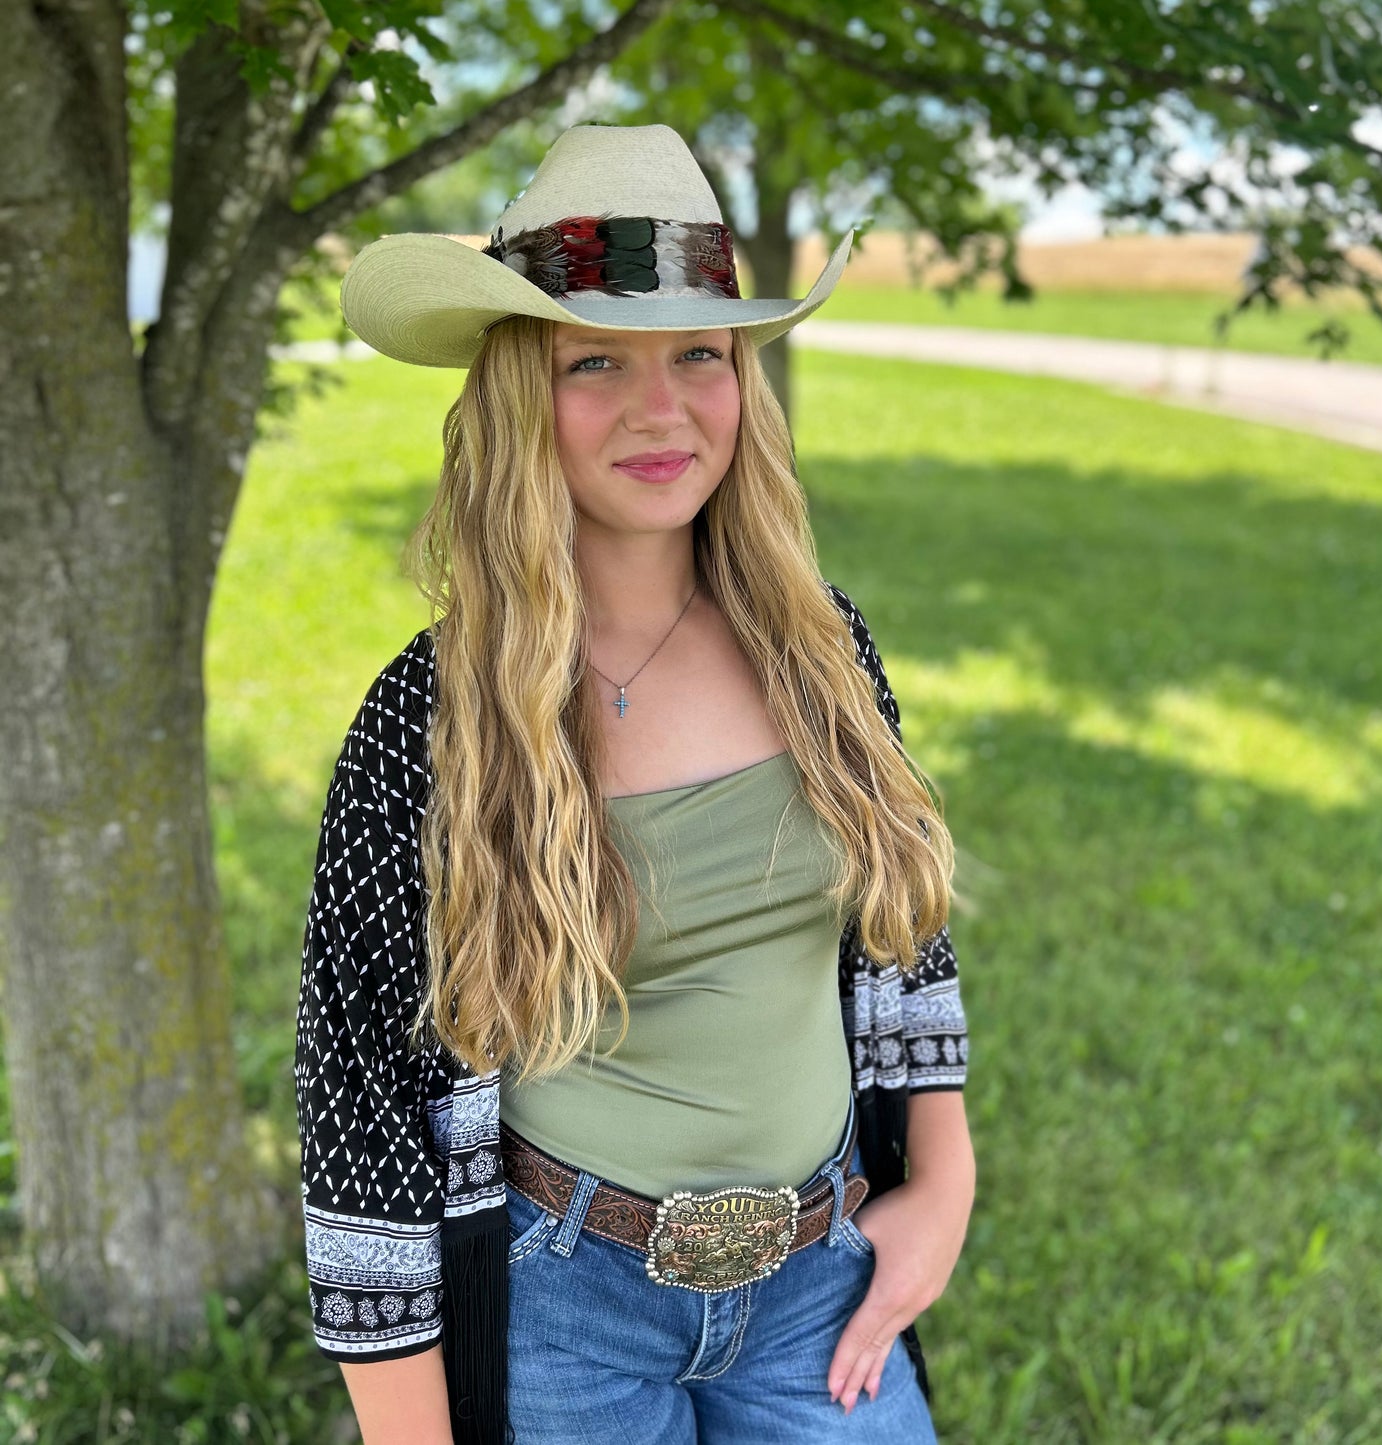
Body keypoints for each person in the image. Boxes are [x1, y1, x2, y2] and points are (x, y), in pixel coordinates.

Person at [294, 122, 975, 1445]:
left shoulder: (819, 648)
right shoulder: (431, 720)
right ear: (515, 393)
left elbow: (905, 929)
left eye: (698, 356)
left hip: (816, 1278)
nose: (660, 411)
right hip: (566, 1299)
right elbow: (359, 1106)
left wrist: (940, 1184)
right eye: (595, 359)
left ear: (744, 381)